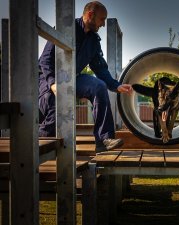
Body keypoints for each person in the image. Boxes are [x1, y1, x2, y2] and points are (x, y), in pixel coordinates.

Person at [38, 1, 132, 151]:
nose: (103, 24)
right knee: (53, 103)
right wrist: (53, 83)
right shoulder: (66, 29)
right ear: (90, 15)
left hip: (73, 77)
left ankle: (104, 139)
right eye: (102, 19)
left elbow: (100, 69)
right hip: (46, 76)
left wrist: (116, 85)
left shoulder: (94, 41)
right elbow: (45, 60)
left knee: (99, 86)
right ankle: (39, 142)